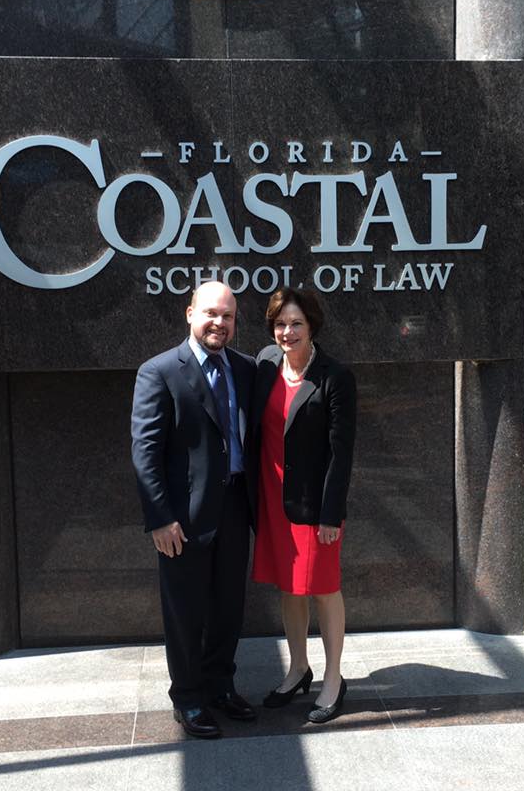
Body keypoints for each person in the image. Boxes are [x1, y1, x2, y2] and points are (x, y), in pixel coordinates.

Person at [131, 281, 257, 739]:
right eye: (209, 313)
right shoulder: (159, 371)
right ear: (189, 314)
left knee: (228, 608)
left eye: (227, 316)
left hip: (235, 510)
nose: (218, 323)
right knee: (185, 613)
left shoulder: (245, 368)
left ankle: (220, 686)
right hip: (180, 520)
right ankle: (187, 698)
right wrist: (159, 518)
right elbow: (145, 451)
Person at [251, 287, 356, 723]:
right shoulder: (265, 363)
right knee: (288, 586)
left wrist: (332, 513)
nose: (287, 332)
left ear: (311, 325)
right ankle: (298, 667)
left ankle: (334, 678)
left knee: (323, 588)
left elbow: (341, 452)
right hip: (272, 499)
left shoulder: (335, 376)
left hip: (315, 505)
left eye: (295, 323)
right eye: (279, 323)